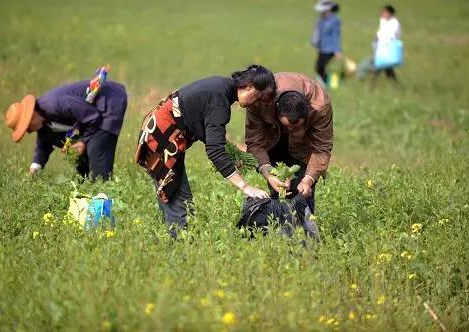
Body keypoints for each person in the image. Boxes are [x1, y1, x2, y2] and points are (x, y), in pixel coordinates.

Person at [135, 65, 276, 237]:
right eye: (260, 98)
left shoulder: (221, 87)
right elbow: (214, 150)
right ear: (249, 87)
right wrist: (245, 186)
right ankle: (180, 251)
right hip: (163, 140)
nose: (257, 104)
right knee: (181, 205)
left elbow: (206, 131)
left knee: (177, 199)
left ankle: (173, 241)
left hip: (157, 134)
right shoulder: (220, 100)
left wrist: (234, 153)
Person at [245, 72, 333, 214]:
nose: (290, 130)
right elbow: (255, 141)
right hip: (272, 140)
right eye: (287, 126)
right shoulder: (260, 98)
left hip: (303, 147)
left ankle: (303, 231)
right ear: (277, 110)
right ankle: (277, 225)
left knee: (303, 196)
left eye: (296, 127)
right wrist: (268, 173)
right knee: (277, 191)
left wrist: (308, 180)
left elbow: (322, 147)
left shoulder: (320, 106)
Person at [5, 80, 128, 181]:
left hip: (109, 101)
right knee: (75, 154)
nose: (29, 132)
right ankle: (85, 188)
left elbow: (93, 116)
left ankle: (104, 196)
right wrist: (35, 168)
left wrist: (84, 141)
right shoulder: (42, 119)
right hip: (92, 116)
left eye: (27, 129)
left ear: (31, 119)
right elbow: (44, 142)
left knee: (97, 149)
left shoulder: (55, 104)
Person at [311, 1, 342, 84]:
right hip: (322, 48)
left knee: (321, 67)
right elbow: (318, 33)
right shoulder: (321, 19)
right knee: (318, 67)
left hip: (330, 49)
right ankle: (324, 82)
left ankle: (326, 83)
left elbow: (336, 36)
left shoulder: (335, 20)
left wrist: (337, 50)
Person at [375, 5, 401, 80]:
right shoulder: (382, 21)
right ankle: (395, 84)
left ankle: (371, 85)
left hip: (389, 48)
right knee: (386, 67)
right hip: (380, 47)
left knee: (379, 66)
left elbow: (392, 36)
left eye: (384, 12)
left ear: (390, 13)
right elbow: (380, 32)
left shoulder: (395, 23)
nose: (382, 13)